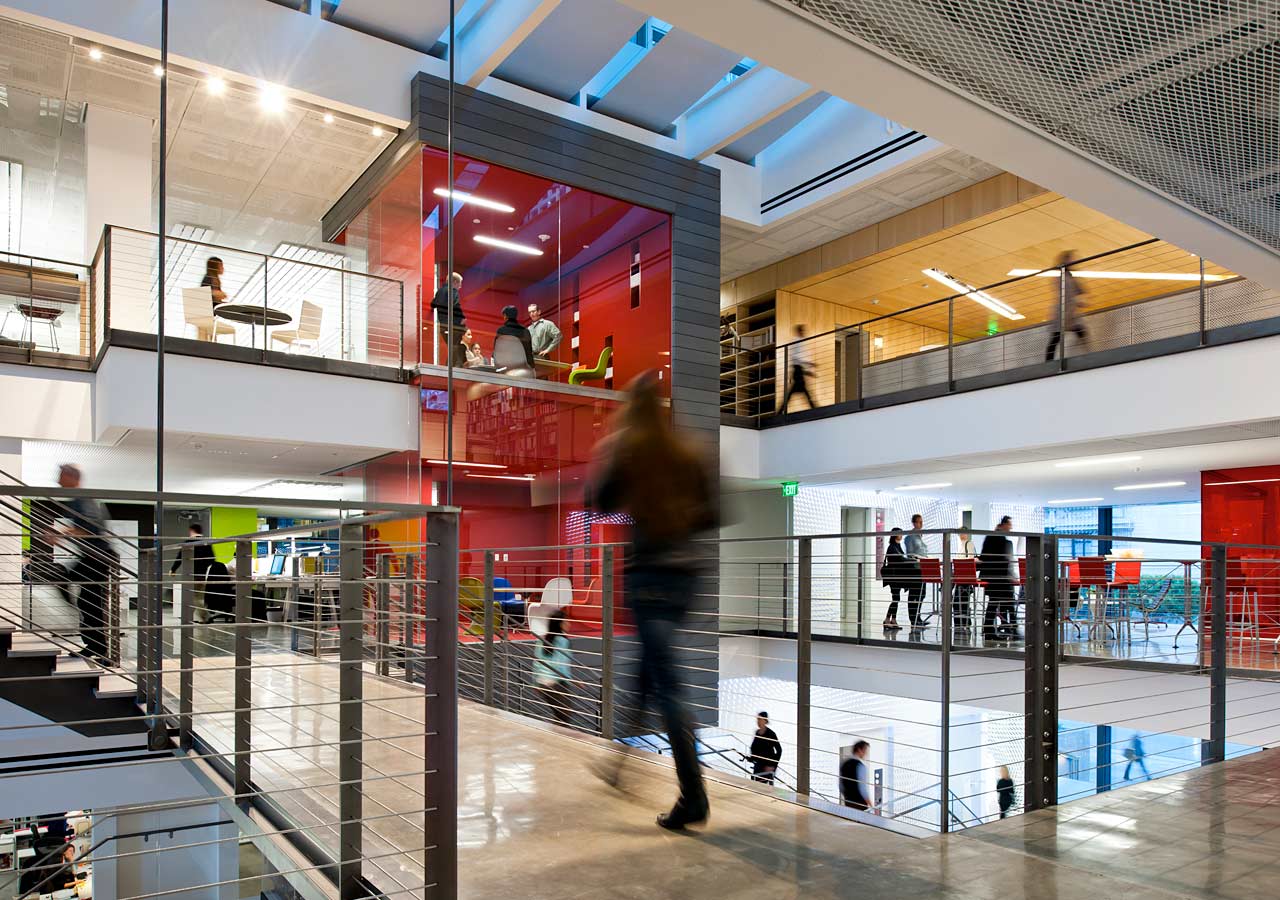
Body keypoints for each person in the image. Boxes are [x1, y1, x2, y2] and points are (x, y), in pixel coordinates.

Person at [589, 371, 717, 830]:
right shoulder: (689, 450)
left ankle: (693, 797)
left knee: (669, 686)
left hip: (648, 579)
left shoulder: (628, 447)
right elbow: (714, 514)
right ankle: (619, 762)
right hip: (687, 579)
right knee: (647, 668)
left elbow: (598, 502)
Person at [47, 465, 118, 663]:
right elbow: (84, 527)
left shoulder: (82, 498)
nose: (58, 480)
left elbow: (92, 527)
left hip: (98, 557)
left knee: (90, 602)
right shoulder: (78, 499)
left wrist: (61, 534)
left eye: (61, 476)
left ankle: (103, 650)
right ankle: (94, 646)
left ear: (72, 477)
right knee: (87, 602)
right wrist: (64, 533)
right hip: (93, 556)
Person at [979, 516, 1018, 641]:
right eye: (1009, 525)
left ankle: (993, 628)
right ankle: (1010, 628)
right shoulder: (1002, 541)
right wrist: (1011, 575)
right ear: (1004, 525)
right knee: (1006, 601)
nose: (1011, 528)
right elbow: (1005, 560)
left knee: (995, 602)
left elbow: (983, 557)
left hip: (992, 577)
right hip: (1000, 578)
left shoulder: (990, 537)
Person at [1045, 250, 1088, 361]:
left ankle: (1086, 355)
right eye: (1072, 259)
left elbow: (1080, 291)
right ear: (1066, 260)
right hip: (1063, 312)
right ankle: (1048, 363)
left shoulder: (1069, 276)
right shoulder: (1062, 277)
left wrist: (1079, 301)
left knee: (1079, 331)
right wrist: (1078, 301)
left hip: (1069, 312)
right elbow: (1068, 294)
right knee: (1056, 338)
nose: (1074, 261)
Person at [532, 609, 573, 725]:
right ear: (560, 624)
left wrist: (535, 683)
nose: (569, 624)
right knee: (565, 715)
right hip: (556, 683)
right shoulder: (563, 641)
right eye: (566, 621)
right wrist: (570, 681)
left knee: (559, 714)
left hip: (543, 683)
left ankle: (552, 731)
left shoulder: (541, 640)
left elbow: (536, 662)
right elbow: (561, 665)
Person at [880, 528, 913, 631]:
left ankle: (893, 620)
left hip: (897, 577)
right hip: (893, 578)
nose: (901, 535)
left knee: (896, 599)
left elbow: (902, 558)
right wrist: (912, 559)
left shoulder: (897, 546)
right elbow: (901, 559)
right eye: (899, 533)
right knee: (896, 599)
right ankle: (886, 620)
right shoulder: (892, 547)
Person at [431, 272, 466, 367]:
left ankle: (450, 367)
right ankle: (452, 368)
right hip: (453, 325)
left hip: (443, 326)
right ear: (454, 282)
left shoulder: (439, 292)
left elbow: (433, 304)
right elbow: (455, 305)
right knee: (456, 347)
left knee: (453, 348)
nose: (460, 286)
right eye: (459, 283)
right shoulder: (453, 292)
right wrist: (462, 318)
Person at [780, 324, 815, 413]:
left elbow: (799, 358)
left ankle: (780, 410)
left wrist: (808, 370)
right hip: (797, 369)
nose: (804, 333)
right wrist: (808, 364)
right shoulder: (797, 341)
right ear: (799, 331)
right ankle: (814, 408)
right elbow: (796, 357)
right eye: (802, 331)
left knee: (796, 390)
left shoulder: (800, 341)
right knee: (803, 390)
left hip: (798, 369)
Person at [904, 513, 928, 629]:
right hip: (915, 569)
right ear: (914, 522)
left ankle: (918, 617)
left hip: (923, 568)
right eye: (919, 522)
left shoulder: (920, 535)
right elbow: (910, 554)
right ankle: (913, 619)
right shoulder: (910, 537)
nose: (921, 524)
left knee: (922, 594)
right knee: (914, 594)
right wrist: (918, 559)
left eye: (922, 522)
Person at [747, 711, 782, 784]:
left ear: (765, 721)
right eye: (757, 719)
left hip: (767, 766)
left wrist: (772, 766)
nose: (758, 721)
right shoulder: (757, 732)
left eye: (760, 719)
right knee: (755, 784)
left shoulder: (771, 734)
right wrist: (752, 757)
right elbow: (754, 747)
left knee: (762, 786)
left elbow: (779, 750)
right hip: (758, 765)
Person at [839, 740, 874, 812]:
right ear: (859, 750)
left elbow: (840, 785)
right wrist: (871, 806)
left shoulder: (844, 763)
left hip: (848, 802)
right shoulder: (860, 766)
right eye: (865, 750)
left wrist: (847, 797)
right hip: (860, 804)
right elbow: (863, 789)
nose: (866, 754)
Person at [953, 530, 976, 628]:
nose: (961, 535)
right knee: (960, 600)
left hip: (965, 576)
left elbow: (971, 558)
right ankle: (962, 622)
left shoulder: (969, 544)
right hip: (960, 576)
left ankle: (963, 622)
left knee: (960, 600)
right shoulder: (961, 546)